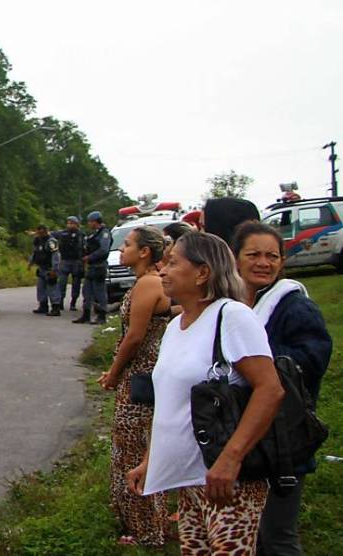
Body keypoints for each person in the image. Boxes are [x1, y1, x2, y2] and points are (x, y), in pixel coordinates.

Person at [126, 232, 285, 555]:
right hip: (190, 480)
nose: (163, 271)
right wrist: (150, 459)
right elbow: (172, 403)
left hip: (226, 480)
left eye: (172, 263)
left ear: (202, 273)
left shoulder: (232, 317)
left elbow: (270, 390)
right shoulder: (176, 326)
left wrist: (230, 460)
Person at [231, 222, 332, 556]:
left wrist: (259, 365)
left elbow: (313, 359)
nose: (264, 262)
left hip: (283, 438)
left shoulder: (293, 306)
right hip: (242, 433)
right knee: (250, 535)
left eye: (272, 256)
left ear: (282, 262)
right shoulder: (232, 304)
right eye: (254, 254)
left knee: (277, 537)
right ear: (235, 258)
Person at [97, 226, 172, 547]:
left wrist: (114, 372)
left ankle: (144, 531)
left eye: (127, 244)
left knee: (132, 451)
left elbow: (135, 337)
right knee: (141, 447)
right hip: (147, 374)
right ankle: (149, 523)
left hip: (140, 377)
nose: (121, 249)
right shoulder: (153, 282)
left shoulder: (147, 284)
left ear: (144, 252)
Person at [73, 211, 111, 324]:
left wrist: (90, 257)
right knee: (86, 291)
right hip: (91, 266)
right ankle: (86, 314)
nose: (89, 224)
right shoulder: (94, 234)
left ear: (96, 221)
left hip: (99, 266)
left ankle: (102, 315)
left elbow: (103, 250)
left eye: (90, 221)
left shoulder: (104, 233)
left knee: (99, 292)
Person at [27, 225, 61, 315]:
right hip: (41, 268)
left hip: (49, 268)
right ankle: (43, 306)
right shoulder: (38, 241)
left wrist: (55, 269)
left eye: (42, 232)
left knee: (52, 288)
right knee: (41, 288)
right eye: (39, 232)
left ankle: (55, 307)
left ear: (46, 231)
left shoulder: (51, 242)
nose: (40, 234)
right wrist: (30, 263)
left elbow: (55, 256)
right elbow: (35, 252)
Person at [54, 216, 85, 311]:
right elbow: (51, 234)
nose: (69, 225)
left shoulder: (81, 235)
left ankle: (73, 303)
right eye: (68, 223)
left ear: (77, 224)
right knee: (61, 283)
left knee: (76, 284)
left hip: (77, 261)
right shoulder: (62, 233)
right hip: (65, 260)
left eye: (72, 223)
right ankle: (60, 302)